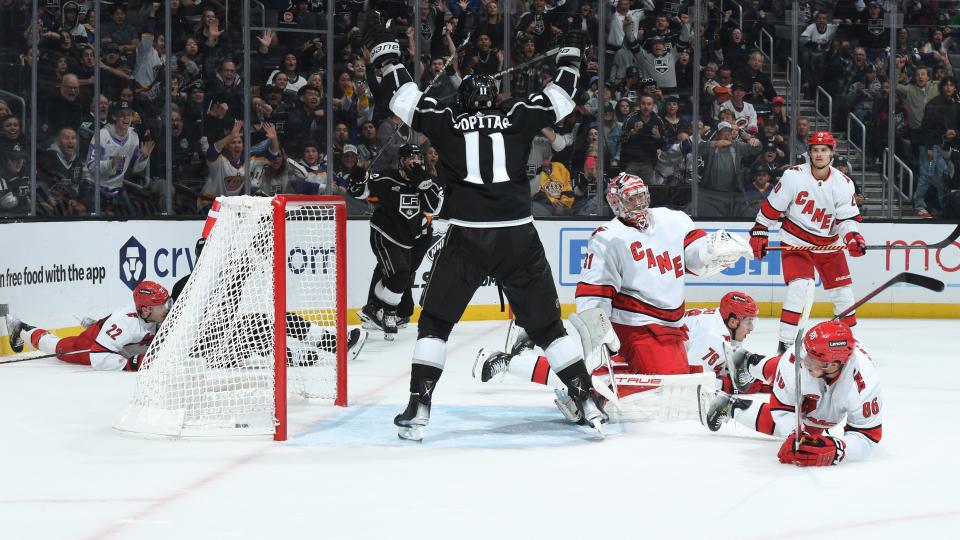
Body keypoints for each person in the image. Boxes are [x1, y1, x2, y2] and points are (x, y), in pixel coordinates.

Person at [369, 28, 609, 439]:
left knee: (435, 325)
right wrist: (570, 58)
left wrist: (388, 60)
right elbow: (562, 97)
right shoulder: (517, 115)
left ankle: (419, 406)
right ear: (494, 99)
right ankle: (586, 399)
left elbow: (403, 97)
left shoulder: (446, 120)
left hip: (467, 237)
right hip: (518, 237)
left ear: (462, 100)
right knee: (549, 328)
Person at [475, 291, 760, 396]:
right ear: (733, 321)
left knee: (589, 378)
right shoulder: (714, 336)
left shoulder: (715, 324)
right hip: (644, 345)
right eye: (748, 322)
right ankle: (506, 361)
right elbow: (691, 379)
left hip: (645, 342)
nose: (751, 329)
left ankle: (519, 356)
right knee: (591, 381)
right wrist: (732, 383)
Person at [700, 320, 882, 467]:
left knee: (814, 427)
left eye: (812, 360)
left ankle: (734, 391)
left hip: (837, 386)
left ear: (832, 365)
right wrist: (795, 434)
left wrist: (837, 449)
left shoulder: (863, 385)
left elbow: (867, 436)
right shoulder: (796, 359)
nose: (804, 361)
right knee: (787, 371)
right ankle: (745, 364)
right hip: (800, 372)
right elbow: (781, 408)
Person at [170, 231, 367, 364]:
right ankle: (333, 349)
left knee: (272, 324)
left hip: (222, 342)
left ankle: (305, 355)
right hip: (205, 352)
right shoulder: (185, 287)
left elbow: (245, 265)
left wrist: (261, 236)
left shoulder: (222, 279)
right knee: (265, 325)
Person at [749, 131, 865, 354]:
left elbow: (846, 220)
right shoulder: (794, 176)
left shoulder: (844, 183)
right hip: (796, 240)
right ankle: (786, 345)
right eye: (815, 150)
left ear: (832, 153)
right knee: (799, 288)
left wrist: (852, 237)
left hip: (828, 244)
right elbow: (773, 207)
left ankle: (852, 343)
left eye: (824, 150)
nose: (819, 154)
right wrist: (760, 229)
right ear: (809, 153)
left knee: (844, 293)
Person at [348, 144, 443, 340]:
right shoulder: (387, 177)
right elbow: (361, 191)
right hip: (385, 233)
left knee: (400, 276)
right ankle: (386, 312)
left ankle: (376, 308)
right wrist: (356, 179)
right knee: (398, 274)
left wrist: (422, 183)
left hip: (412, 239)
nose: (415, 162)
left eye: (418, 158)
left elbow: (434, 209)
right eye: (410, 158)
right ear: (401, 161)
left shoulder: (429, 182)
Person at [6, 281, 170, 371]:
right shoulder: (125, 323)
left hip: (116, 339)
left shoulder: (153, 315)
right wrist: (132, 363)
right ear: (146, 309)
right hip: (90, 344)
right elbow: (98, 358)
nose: (167, 309)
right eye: (162, 306)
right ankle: (21, 329)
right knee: (59, 348)